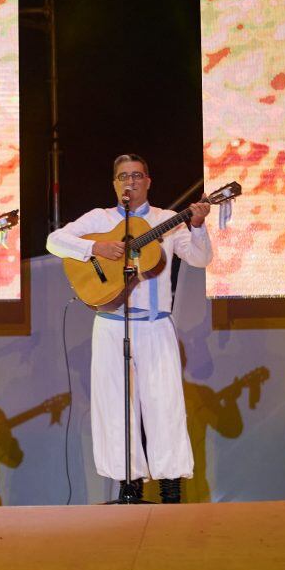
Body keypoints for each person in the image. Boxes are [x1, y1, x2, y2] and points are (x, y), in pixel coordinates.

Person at [46, 154, 212, 503]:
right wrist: (96, 247)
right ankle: (129, 486)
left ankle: (170, 488)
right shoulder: (100, 219)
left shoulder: (167, 220)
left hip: (155, 326)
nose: (130, 182)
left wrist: (197, 226)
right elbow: (55, 241)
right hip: (110, 323)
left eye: (136, 175)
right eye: (123, 176)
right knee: (114, 405)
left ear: (148, 181)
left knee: (164, 404)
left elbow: (200, 259)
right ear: (115, 183)